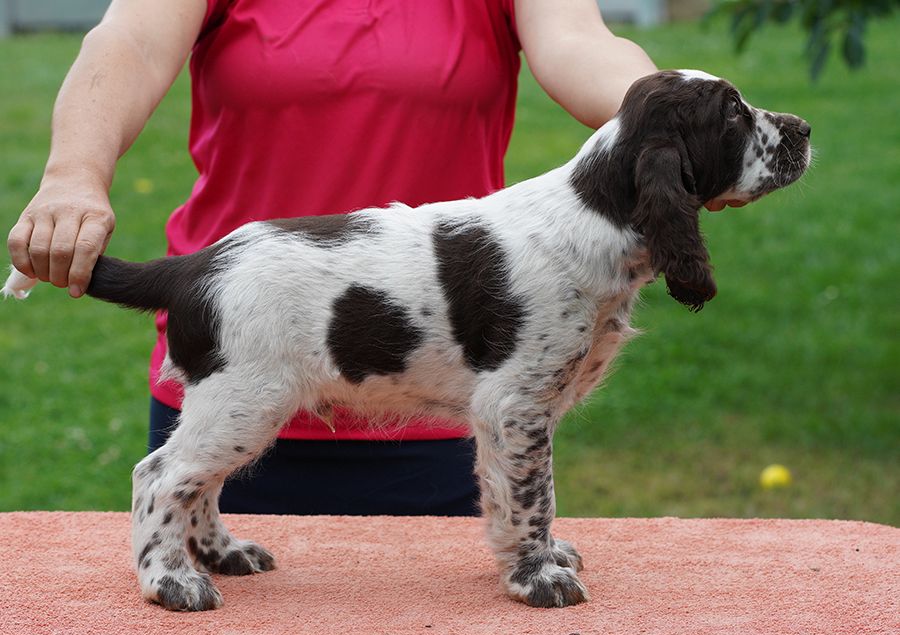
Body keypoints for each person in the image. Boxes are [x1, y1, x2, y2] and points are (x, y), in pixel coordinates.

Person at [6, 0, 742, 517]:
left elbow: (580, 43)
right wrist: (74, 169)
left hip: (444, 388)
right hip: (246, 346)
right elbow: (129, 41)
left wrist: (679, 128)